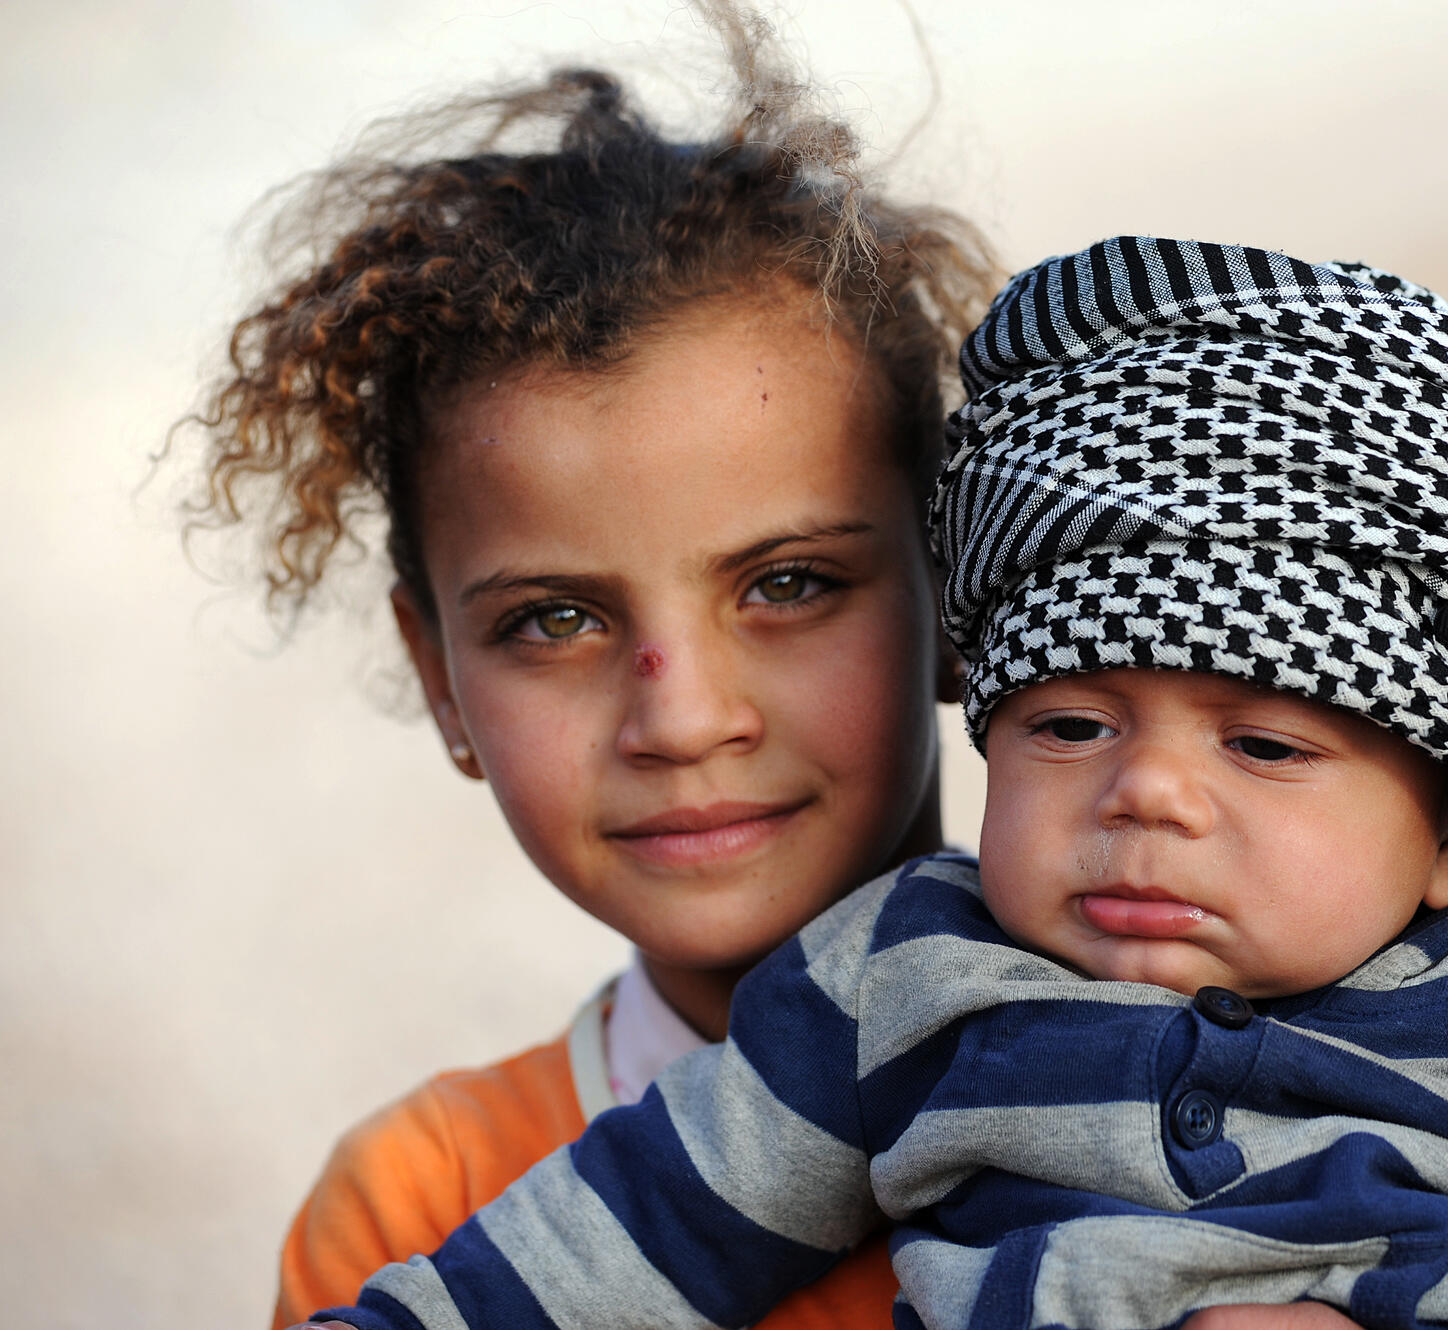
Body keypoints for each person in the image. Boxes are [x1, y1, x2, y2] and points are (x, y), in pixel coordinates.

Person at [308, 239, 1448, 1328]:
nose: (1152, 797)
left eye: (1263, 743)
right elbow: (622, 1238)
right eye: (1071, 726)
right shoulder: (909, 980)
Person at [177, 7, 1004, 1324]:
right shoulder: (424, 1218)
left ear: (965, 588)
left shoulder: (1253, 1071)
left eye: (790, 585)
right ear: (441, 678)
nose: (680, 715)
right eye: (554, 620)